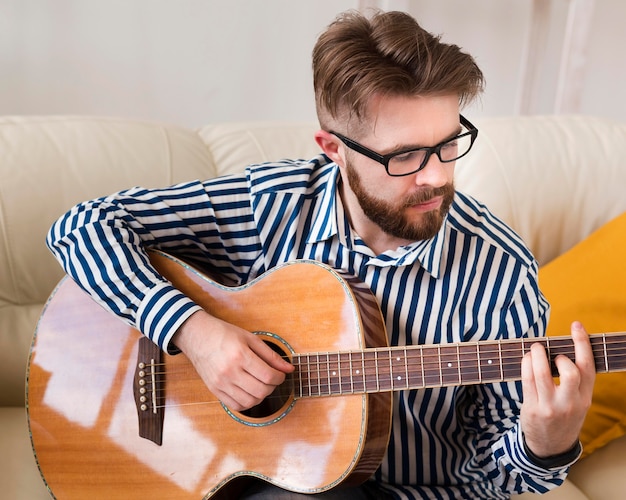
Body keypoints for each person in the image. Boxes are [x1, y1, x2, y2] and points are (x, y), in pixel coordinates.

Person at [46, 9, 596, 500]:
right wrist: (195, 332)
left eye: (448, 144)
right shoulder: (273, 205)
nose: (437, 176)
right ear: (332, 148)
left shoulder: (500, 271)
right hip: (263, 476)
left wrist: (544, 443)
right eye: (405, 156)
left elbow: (485, 477)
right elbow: (81, 227)